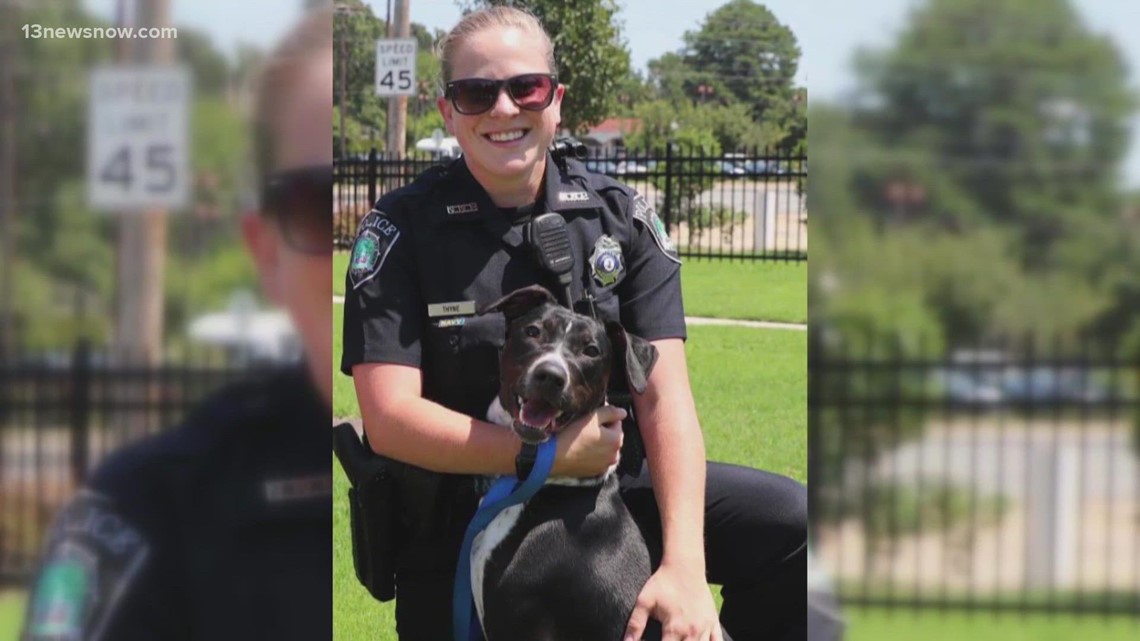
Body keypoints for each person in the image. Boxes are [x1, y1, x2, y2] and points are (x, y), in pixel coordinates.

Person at [340, 6, 806, 641]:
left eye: (525, 87)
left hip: (612, 493)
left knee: (795, 527)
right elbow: (391, 419)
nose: (503, 110)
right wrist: (546, 457)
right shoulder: (401, 231)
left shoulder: (621, 218)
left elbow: (664, 397)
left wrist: (686, 568)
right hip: (457, 504)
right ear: (447, 111)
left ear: (556, 101)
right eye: (476, 93)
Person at [19, 8, 333, 641]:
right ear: (265, 250)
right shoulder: (140, 518)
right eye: (317, 206)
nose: (363, 251)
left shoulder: (509, 462)